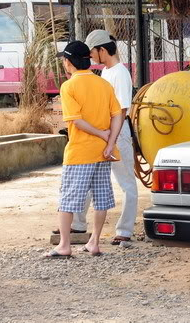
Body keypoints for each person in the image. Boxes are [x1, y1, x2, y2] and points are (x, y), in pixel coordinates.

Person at [45, 41, 123, 258]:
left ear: (68, 62)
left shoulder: (68, 87)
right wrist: (109, 141)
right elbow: (117, 114)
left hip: (79, 152)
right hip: (103, 152)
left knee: (68, 199)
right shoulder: (103, 84)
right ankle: (94, 243)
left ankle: (64, 245)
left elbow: (76, 121)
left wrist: (101, 134)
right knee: (102, 197)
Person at [68, 30, 138, 246]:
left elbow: (122, 111)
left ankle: (124, 230)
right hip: (104, 134)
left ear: (102, 50)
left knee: (126, 182)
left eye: (92, 53)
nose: (90, 58)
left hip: (116, 133)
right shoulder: (106, 73)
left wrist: (110, 140)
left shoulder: (120, 73)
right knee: (90, 179)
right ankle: (78, 224)